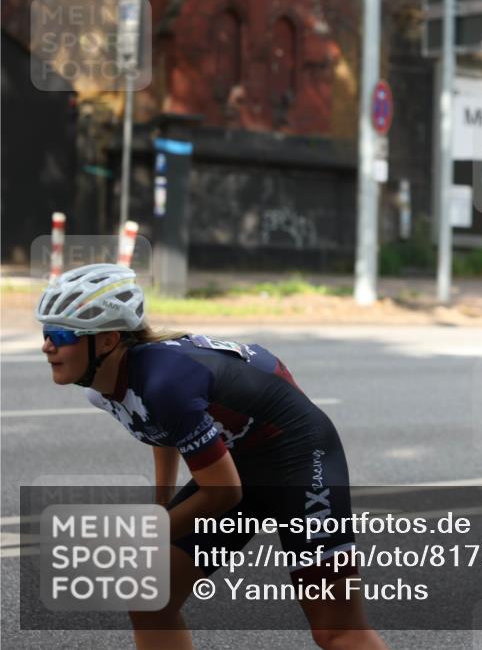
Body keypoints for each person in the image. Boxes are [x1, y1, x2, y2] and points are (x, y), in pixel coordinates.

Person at [37, 264, 389, 650]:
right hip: (239, 464)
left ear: (107, 341)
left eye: (60, 335)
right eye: (45, 333)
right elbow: (162, 427)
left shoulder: (163, 381)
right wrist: (161, 507)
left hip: (299, 457)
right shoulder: (103, 386)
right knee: (149, 600)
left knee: (336, 632)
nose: (46, 346)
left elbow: (222, 493)